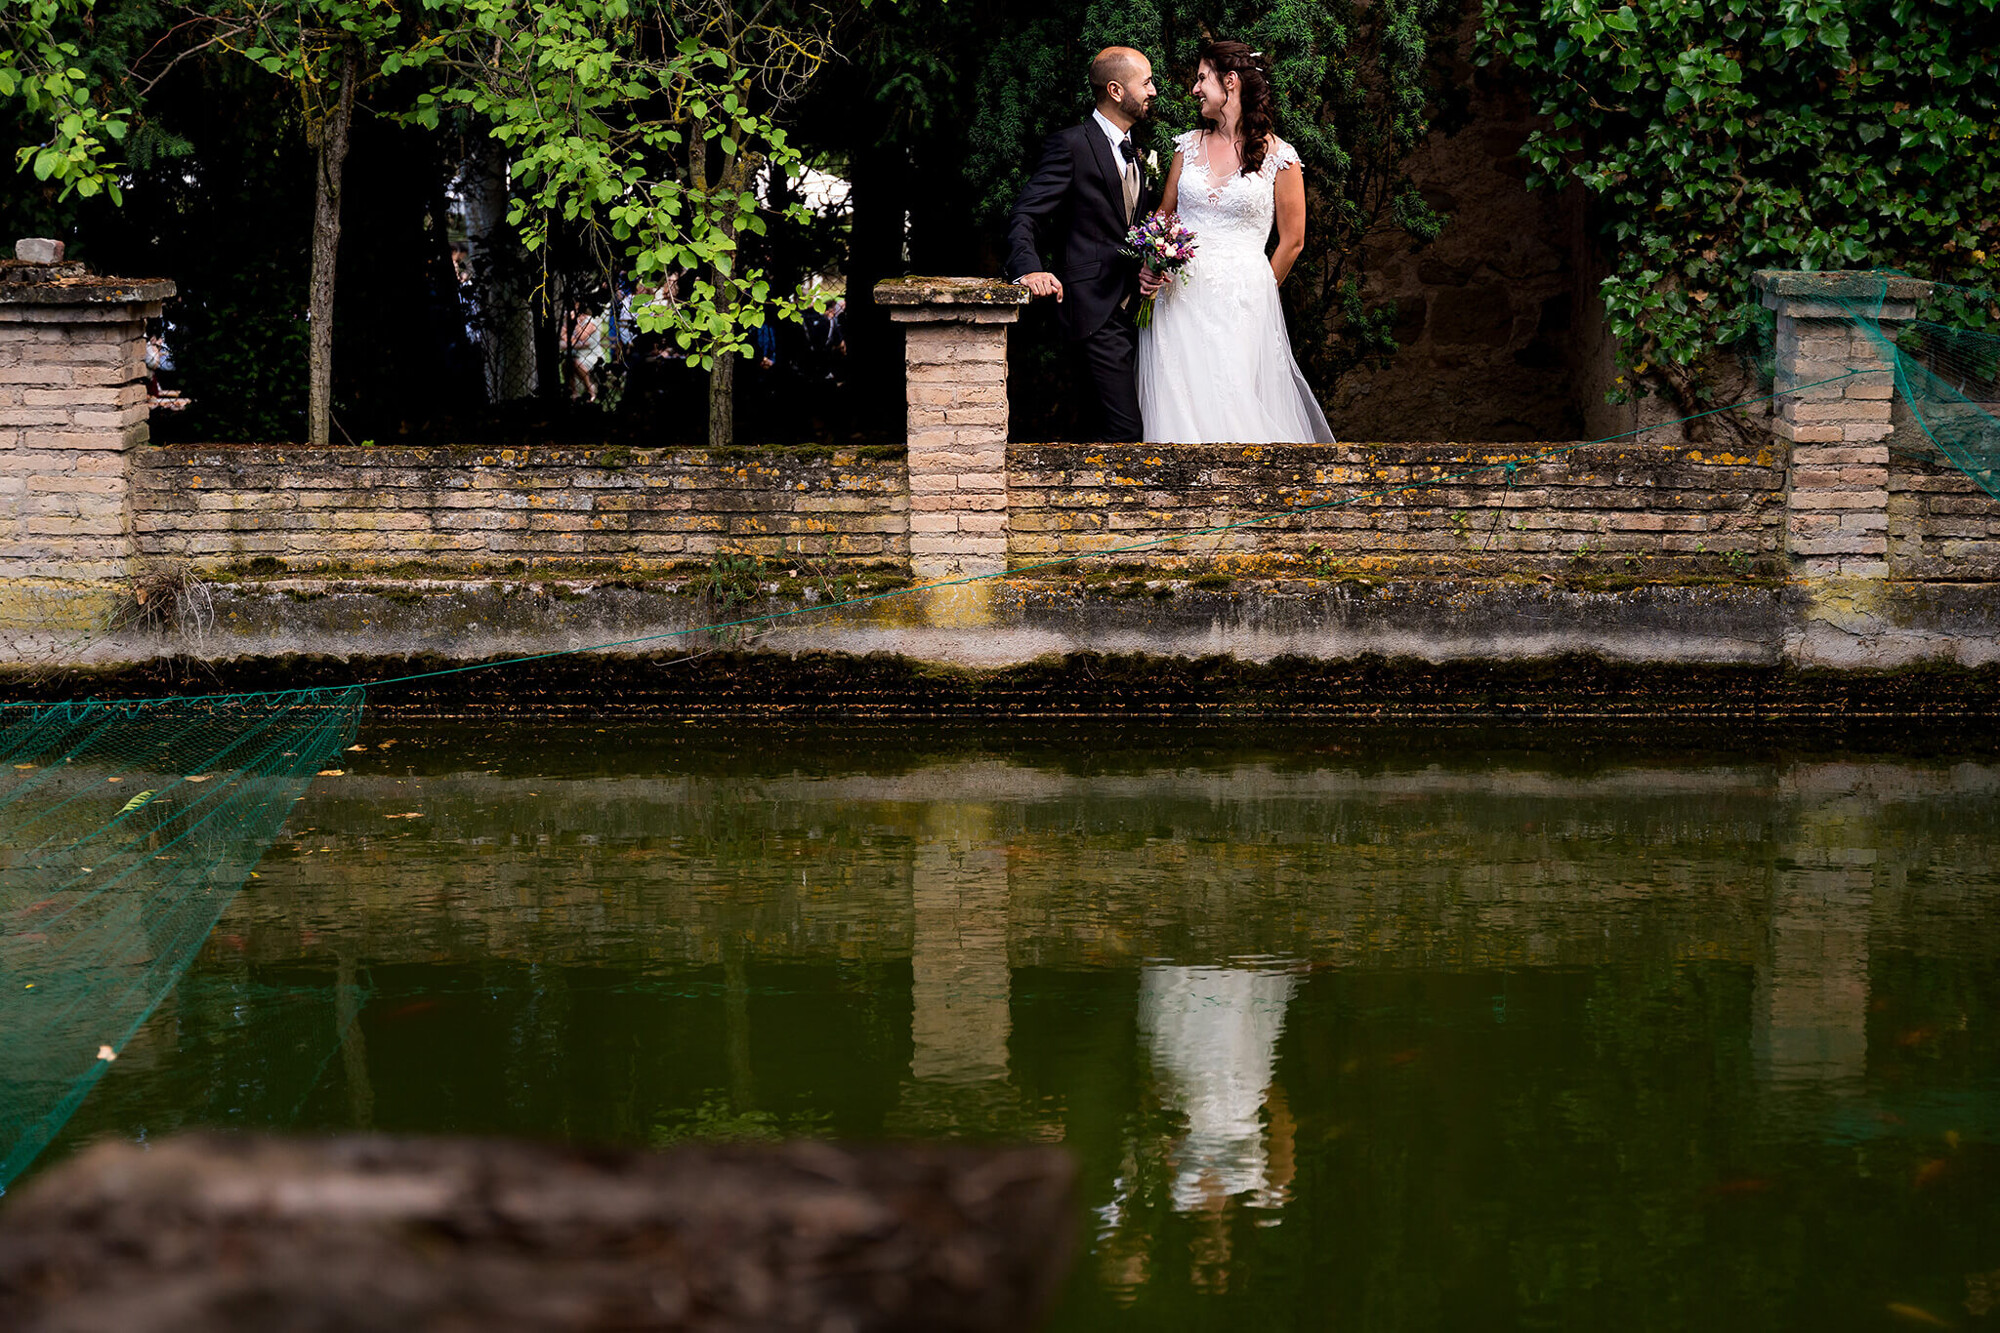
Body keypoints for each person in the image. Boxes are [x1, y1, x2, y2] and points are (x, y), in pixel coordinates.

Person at [1136, 39, 1334, 444]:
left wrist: (1257, 291)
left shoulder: (1282, 157)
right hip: (1180, 297)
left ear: (1230, 82)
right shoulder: (1186, 147)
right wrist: (1152, 263)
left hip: (1241, 300)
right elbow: (1164, 214)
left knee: (1231, 396)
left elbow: (1292, 241)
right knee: (1180, 397)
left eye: (1202, 78)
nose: (1194, 89)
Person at [1005, 46, 1159, 442]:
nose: (1153, 91)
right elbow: (1026, 213)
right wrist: (1028, 268)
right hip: (1091, 309)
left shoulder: (1136, 151)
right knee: (1126, 433)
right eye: (1145, 82)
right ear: (1115, 89)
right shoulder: (1071, 145)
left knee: (1103, 431)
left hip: (1131, 312)